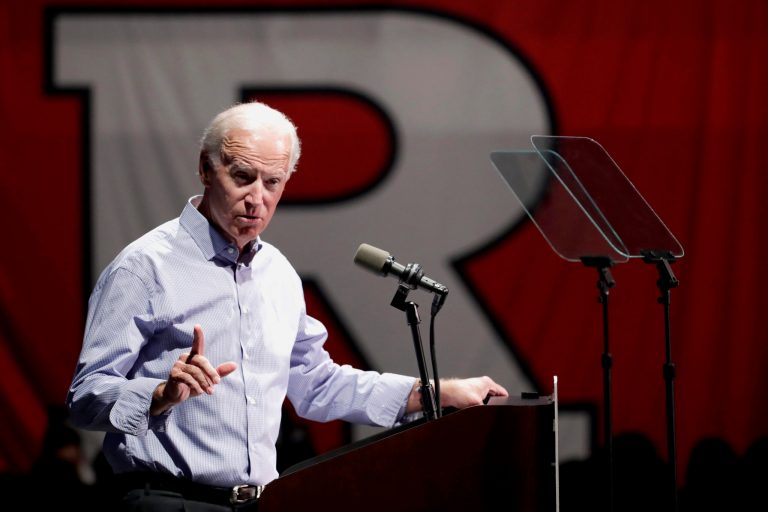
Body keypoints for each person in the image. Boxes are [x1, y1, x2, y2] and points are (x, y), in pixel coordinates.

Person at [66, 101, 509, 511]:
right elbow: (85, 397)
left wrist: (438, 392)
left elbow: (317, 385)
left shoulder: (276, 273)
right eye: (242, 176)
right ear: (205, 168)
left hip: (264, 503)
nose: (257, 197)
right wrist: (159, 395)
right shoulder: (145, 267)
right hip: (169, 500)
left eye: (272, 182)